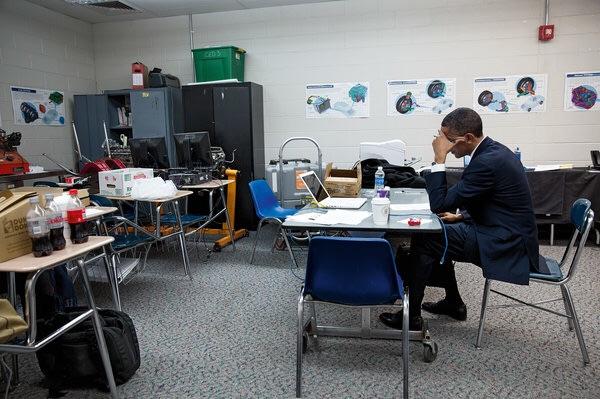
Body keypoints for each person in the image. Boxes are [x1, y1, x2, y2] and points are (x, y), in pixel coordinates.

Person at [380, 107, 548, 331]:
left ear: (468, 138)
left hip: (505, 243)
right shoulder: (493, 151)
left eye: (447, 140)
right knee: (440, 234)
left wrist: (439, 159)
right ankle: (453, 303)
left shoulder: (486, 162)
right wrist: (460, 216)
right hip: (505, 231)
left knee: (427, 238)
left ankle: (411, 317)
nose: (443, 145)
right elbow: (496, 202)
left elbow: (439, 203)